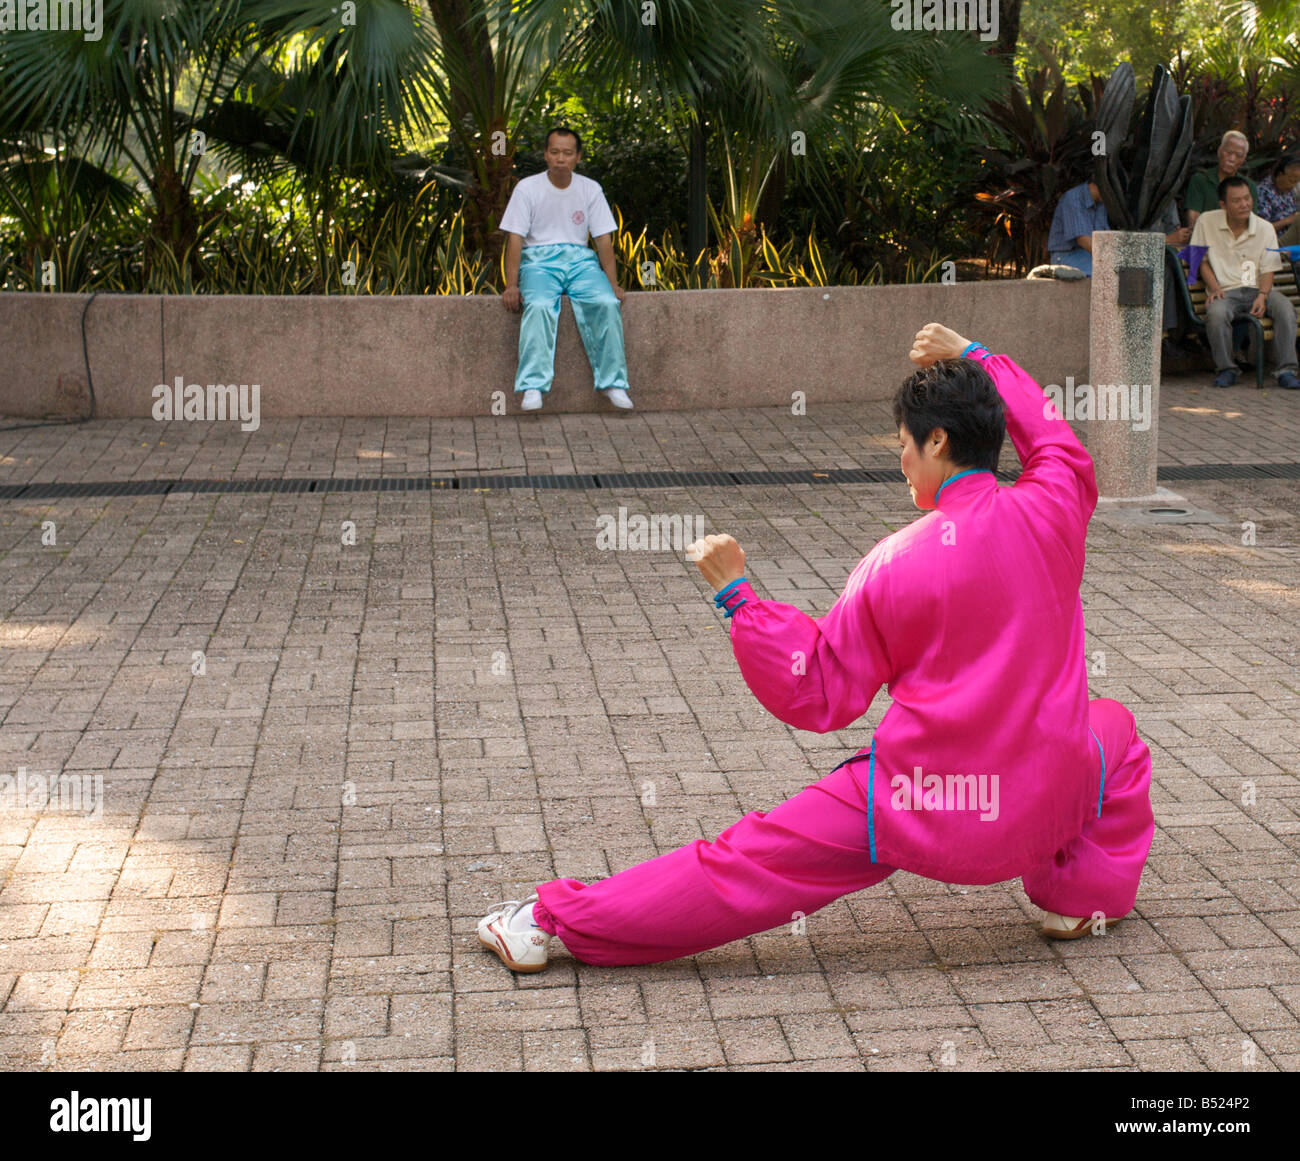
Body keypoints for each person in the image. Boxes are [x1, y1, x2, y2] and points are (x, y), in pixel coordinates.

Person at [478, 322, 1157, 973]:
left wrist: (740, 598)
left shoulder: (896, 563)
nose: (900, 461)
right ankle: (1080, 898)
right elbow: (1055, 437)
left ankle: (548, 919)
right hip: (1046, 794)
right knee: (1115, 732)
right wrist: (976, 354)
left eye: (905, 445)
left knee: (744, 861)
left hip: (922, 805)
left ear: (939, 440)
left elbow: (818, 691)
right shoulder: (1057, 501)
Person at [498, 127, 633, 412]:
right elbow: (515, 239)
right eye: (555, 152)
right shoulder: (527, 188)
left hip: (580, 261)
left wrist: (613, 283)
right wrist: (512, 285)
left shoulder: (590, 188)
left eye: (568, 153)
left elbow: (603, 240)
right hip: (539, 262)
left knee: (607, 303)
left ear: (578, 157)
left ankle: (613, 382)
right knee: (539, 306)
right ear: (546, 154)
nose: (561, 159)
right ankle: (533, 385)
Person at [1190, 175, 1300, 389]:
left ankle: (1286, 370)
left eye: (1247, 198)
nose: (1244, 204)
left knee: (1285, 308)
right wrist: (1214, 288)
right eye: (1237, 200)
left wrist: (1263, 295)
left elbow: (1268, 268)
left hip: (1257, 289)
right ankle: (1227, 369)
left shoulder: (1265, 228)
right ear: (1223, 204)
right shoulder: (1206, 221)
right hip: (1225, 290)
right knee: (1216, 313)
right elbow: (1201, 261)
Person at [1046, 178, 1189, 336]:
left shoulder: (1101, 203)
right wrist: (1117, 262)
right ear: (1103, 187)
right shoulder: (1072, 199)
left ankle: (1147, 333)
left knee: (1142, 271)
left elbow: (1106, 240)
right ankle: (1127, 333)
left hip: (1093, 254)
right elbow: (1085, 242)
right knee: (1125, 275)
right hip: (1068, 256)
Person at [1185, 131, 1257, 228]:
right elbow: (1193, 220)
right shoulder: (1201, 179)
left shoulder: (1249, 186)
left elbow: (1251, 222)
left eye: (1238, 155)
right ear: (1219, 151)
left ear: (1243, 159)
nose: (1232, 159)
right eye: (1228, 152)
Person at [1256, 154, 1300, 248]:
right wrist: (1288, 220)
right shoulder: (1264, 192)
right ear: (1280, 175)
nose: (1293, 186)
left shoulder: (1288, 190)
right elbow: (1261, 229)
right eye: (1291, 181)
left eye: (1297, 182)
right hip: (1274, 243)